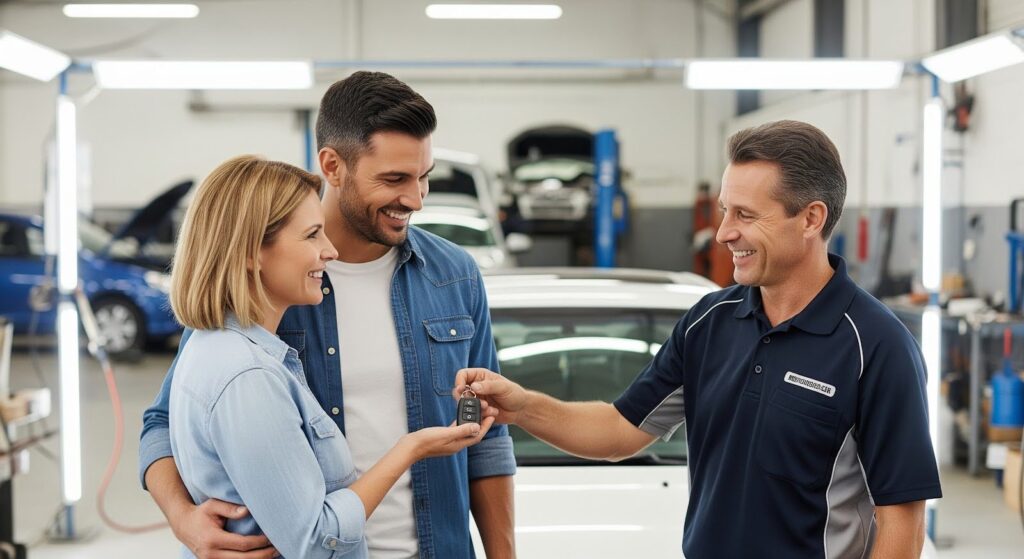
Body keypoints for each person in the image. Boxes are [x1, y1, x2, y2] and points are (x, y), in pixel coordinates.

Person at [454, 120, 942, 558]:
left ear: (811, 219)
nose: (724, 233)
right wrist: (521, 407)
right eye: (726, 211)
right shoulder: (709, 322)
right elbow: (621, 431)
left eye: (746, 215)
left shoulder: (876, 348)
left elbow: (902, 523)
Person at [141, 72, 516, 559]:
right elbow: (162, 422)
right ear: (333, 166)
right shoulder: (269, 288)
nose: (416, 199)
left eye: (423, 176)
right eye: (394, 179)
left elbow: (488, 440)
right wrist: (184, 520)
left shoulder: (454, 276)